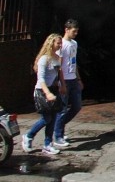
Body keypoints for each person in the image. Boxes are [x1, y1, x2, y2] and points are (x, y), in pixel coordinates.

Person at [23, 34, 65, 155]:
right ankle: (29, 136)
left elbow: (59, 72)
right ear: (51, 43)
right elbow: (40, 79)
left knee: (53, 118)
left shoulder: (57, 57)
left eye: (61, 43)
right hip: (42, 91)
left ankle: (47, 144)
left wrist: (62, 85)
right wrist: (47, 93)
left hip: (53, 89)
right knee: (46, 118)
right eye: (58, 43)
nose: (60, 45)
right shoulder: (44, 59)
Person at [53, 19, 83, 148]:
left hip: (73, 78)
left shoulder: (74, 44)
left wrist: (78, 79)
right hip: (64, 79)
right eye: (74, 31)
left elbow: (74, 62)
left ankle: (59, 127)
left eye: (76, 31)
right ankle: (58, 135)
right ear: (66, 29)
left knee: (77, 106)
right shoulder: (62, 44)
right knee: (62, 109)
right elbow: (58, 64)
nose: (75, 33)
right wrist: (60, 82)